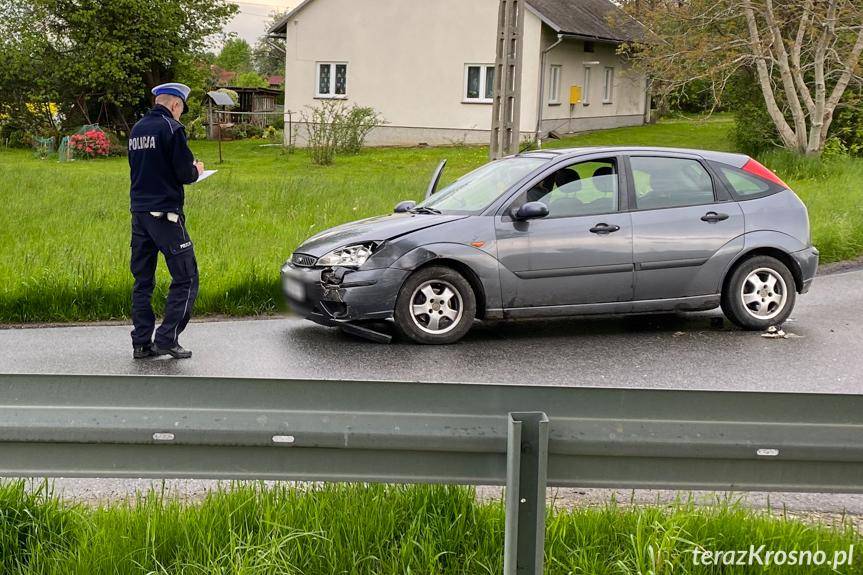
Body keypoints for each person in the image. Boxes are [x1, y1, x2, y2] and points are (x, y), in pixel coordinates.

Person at [128, 82, 203, 359]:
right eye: (181, 108)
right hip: (166, 216)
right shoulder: (172, 129)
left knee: (143, 281)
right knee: (186, 276)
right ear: (175, 105)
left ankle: (141, 343)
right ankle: (167, 338)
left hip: (139, 214)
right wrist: (196, 169)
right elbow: (185, 173)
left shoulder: (137, 130)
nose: (180, 114)